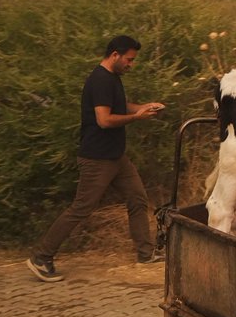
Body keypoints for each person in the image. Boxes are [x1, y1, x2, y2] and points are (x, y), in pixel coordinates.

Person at [27, 35, 165, 282]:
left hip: (116, 156)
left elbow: (119, 106)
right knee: (81, 208)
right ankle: (41, 256)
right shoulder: (100, 80)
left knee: (137, 198)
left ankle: (146, 253)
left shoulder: (112, 78)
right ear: (115, 55)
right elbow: (104, 119)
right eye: (129, 60)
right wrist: (137, 118)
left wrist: (144, 106)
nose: (131, 65)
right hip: (97, 159)